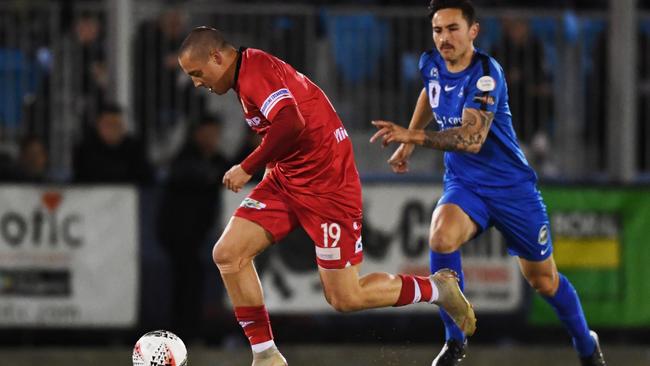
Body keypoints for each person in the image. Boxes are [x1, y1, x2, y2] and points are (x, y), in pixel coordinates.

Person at [177, 26, 476, 366]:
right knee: (228, 253)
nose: (197, 83)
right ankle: (266, 355)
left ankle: (438, 288)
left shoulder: (254, 72)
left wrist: (247, 166)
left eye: (197, 74)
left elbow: (291, 122)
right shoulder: (248, 73)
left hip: (328, 185)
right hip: (286, 178)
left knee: (345, 297)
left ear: (217, 57)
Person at [370, 1, 605, 365]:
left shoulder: (486, 74)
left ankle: (585, 344)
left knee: (544, 281)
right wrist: (408, 139)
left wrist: (414, 137)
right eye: (438, 30)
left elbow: (472, 139)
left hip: (512, 190)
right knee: (440, 235)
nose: (444, 38)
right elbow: (430, 94)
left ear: (473, 31)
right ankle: (455, 341)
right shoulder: (429, 63)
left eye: (453, 29)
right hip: (466, 185)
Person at [157, 114, 230, 342]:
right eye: (208, 133)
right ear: (197, 134)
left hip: (200, 233)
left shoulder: (217, 159)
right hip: (178, 232)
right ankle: (183, 331)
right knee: (185, 279)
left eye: (215, 134)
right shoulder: (185, 158)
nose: (212, 139)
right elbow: (189, 174)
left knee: (194, 279)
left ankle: (193, 329)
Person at [73, 104, 153, 184]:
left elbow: (145, 178)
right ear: (98, 126)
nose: (112, 129)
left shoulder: (135, 148)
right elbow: (81, 180)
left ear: (123, 127)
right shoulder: (85, 149)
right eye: (107, 125)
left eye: (116, 125)